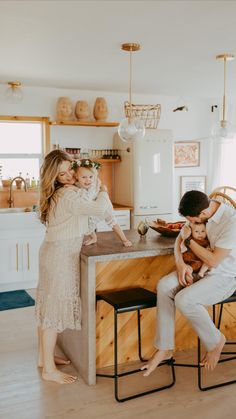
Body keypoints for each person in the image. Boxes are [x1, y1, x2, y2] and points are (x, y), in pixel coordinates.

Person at [35, 149, 111, 384]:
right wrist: (103, 190)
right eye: (62, 174)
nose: (68, 176)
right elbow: (99, 209)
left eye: (70, 169)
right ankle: (48, 370)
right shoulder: (69, 194)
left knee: (48, 308)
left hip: (53, 253)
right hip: (59, 257)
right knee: (53, 313)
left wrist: (91, 233)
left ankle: (43, 358)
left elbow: (78, 217)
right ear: (54, 177)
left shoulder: (63, 193)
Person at [141, 190, 236, 376]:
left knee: (184, 299)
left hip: (224, 276)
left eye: (192, 221)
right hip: (198, 269)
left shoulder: (231, 222)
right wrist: (180, 263)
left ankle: (215, 341)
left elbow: (213, 261)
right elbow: (180, 237)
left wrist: (190, 240)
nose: (191, 223)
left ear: (204, 214)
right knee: (164, 286)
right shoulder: (201, 206)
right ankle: (165, 348)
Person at [72, 159, 132, 247]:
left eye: (91, 177)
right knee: (87, 223)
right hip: (93, 206)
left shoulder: (94, 185)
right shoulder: (77, 184)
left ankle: (124, 239)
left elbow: (87, 197)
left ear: (95, 176)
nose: (88, 180)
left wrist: (75, 189)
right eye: (83, 177)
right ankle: (93, 237)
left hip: (104, 205)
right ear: (76, 176)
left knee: (113, 221)